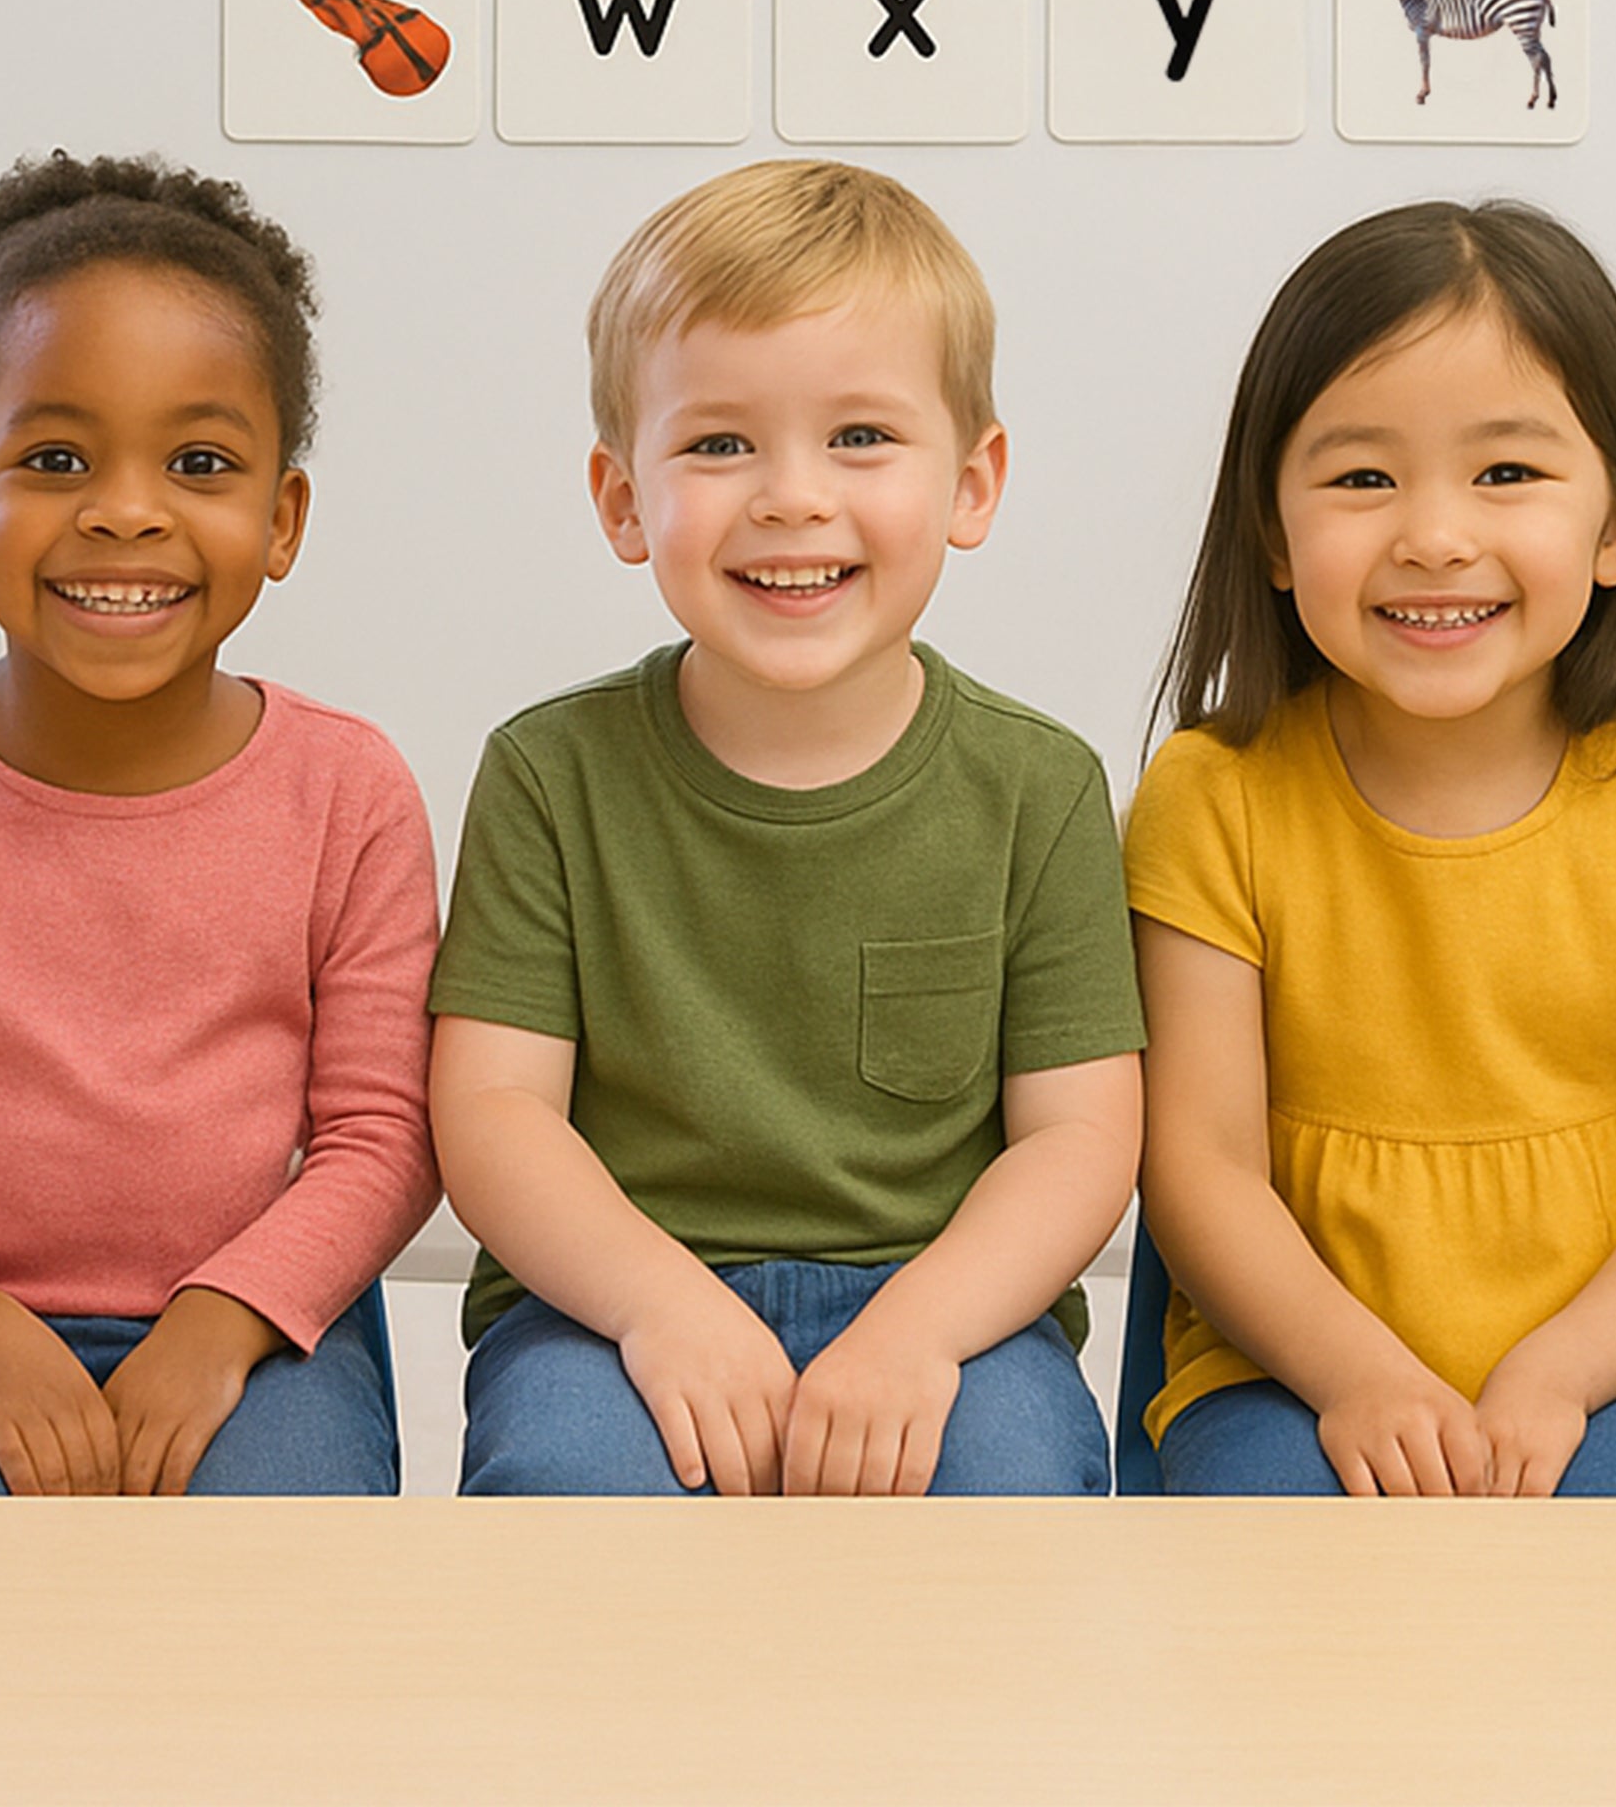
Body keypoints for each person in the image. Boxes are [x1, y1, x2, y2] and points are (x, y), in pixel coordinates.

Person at [0, 152, 440, 1496]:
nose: (125, 509)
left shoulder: (349, 794)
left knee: (294, 1595)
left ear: (280, 517)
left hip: (252, 1339)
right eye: (56, 458)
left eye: (199, 461)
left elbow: (384, 1135)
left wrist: (224, 1323)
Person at [428, 159, 1143, 1497]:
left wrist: (919, 1335)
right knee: (567, 1497)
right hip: (612, 1310)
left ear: (973, 484)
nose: (793, 496)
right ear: (624, 498)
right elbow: (491, 1113)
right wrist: (660, 1307)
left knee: (1020, 1501)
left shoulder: (1037, 786)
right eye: (718, 444)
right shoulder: (547, 773)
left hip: (950, 1315)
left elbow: (1079, 1139)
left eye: (860, 438)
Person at [1124, 199, 1616, 1499]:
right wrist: (1354, 1373)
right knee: (1274, 1606)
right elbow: (1200, 1170)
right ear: (1274, 536)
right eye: (1361, 477)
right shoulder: (1208, 799)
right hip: (1288, 1370)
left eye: (1505, 474)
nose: (1435, 534)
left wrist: (1564, 1370)